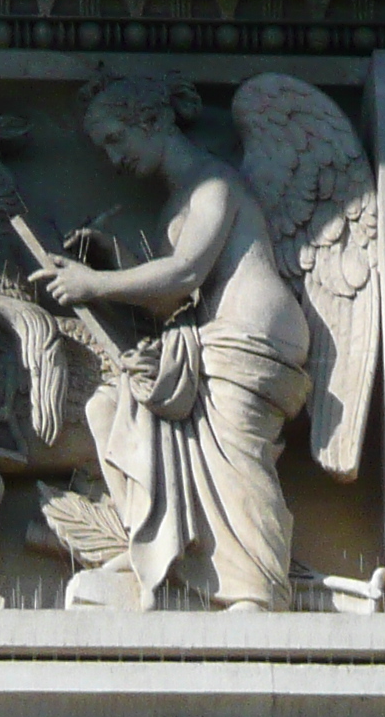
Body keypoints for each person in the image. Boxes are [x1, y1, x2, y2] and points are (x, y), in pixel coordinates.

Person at [34, 70, 314, 612]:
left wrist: (94, 283)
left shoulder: (215, 183)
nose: (114, 158)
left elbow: (186, 272)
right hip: (207, 339)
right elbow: (168, 300)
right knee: (109, 404)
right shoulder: (173, 207)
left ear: (152, 120)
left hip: (253, 335)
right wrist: (113, 260)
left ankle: (255, 590)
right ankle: (155, 548)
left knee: (236, 454)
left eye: (116, 138)